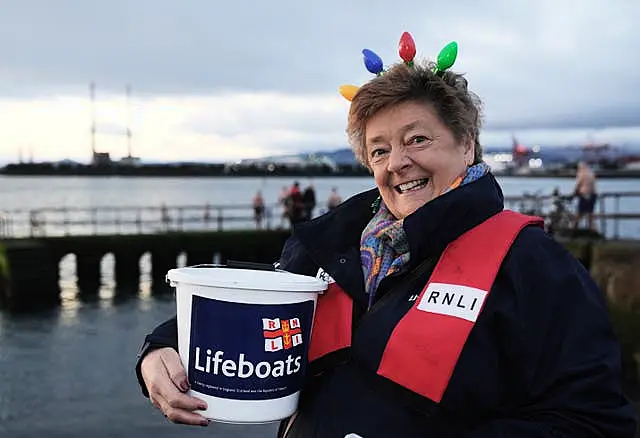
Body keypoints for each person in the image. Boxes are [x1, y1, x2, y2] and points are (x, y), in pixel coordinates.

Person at [135, 33, 637, 437]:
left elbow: (593, 421)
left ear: (467, 145)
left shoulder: (532, 265)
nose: (398, 162)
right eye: (379, 150)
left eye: (417, 139)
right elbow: (253, 300)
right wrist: (159, 350)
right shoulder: (329, 248)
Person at [573, 160, 598, 230]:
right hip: (593, 195)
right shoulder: (591, 173)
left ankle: (575, 230)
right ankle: (591, 230)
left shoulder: (581, 173)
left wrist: (574, 193)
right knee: (590, 214)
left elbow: (578, 184)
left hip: (584, 194)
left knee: (579, 213)